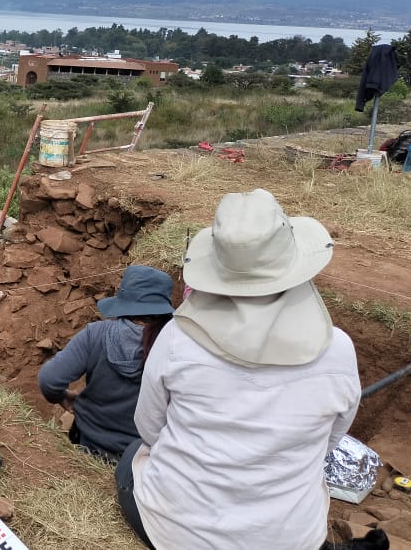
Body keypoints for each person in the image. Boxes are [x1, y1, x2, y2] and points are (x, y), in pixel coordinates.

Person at [115, 189, 361, 550]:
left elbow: (150, 430)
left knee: (129, 459)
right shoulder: (338, 350)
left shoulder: (177, 338)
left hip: (181, 534)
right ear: (296, 266)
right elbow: (330, 441)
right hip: (291, 539)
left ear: (215, 270)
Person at [38, 265, 175, 462]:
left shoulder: (96, 334)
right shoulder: (175, 346)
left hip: (87, 445)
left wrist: (65, 398)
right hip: (140, 458)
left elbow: (49, 379)